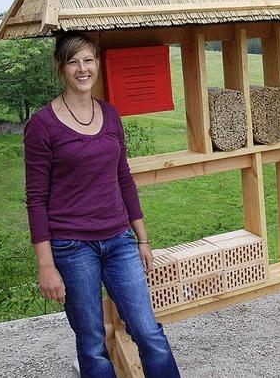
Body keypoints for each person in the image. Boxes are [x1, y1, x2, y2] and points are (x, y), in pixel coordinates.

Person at [24, 33, 180, 377]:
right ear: (60, 67)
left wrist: (142, 238)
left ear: (97, 64)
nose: (83, 69)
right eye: (73, 61)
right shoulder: (42, 126)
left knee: (148, 331)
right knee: (92, 343)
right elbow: (35, 200)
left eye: (88, 60)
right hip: (71, 246)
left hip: (120, 240)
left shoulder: (110, 115)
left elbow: (123, 177)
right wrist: (46, 266)